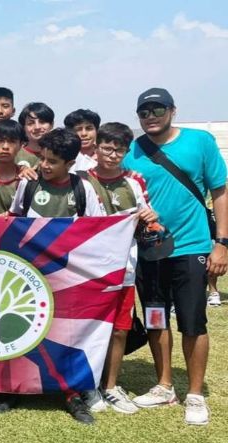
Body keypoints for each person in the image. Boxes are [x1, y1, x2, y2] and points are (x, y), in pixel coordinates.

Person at [122, 88, 227, 426]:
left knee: (193, 320)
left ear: (172, 110)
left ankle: (195, 394)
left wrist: (221, 242)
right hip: (150, 250)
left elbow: (220, 192)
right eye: (144, 112)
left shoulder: (200, 142)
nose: (150, 116)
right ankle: (164, 385)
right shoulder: (133, 151)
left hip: (192, 247)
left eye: (157, 109)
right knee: (155, 317)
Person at [9, 128, 105, 424]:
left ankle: (71, 394)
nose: (44, 166)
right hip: (27, 277)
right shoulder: (27, 186)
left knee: (65, 336)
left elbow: (98, 232)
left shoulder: (84, 189)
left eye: (52, 161)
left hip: (67, 279)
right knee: (22, 330)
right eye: (42, 158)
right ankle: (13, 390)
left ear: (70, 163)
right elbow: (13, 220)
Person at [80, 122, 156, 414]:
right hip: (86, 271)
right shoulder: (81, 180)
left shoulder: (135, 181)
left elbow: (147, 218)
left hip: (124, 267)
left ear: (127, 151)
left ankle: (111, 386)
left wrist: (150, 216)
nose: (112, 155)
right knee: (86, 328)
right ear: (96, 147)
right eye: (107, 148)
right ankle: (86, 384)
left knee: (120, 329)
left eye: (119, 150)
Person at [16, 102, 54, 168]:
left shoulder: (59, 154)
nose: (37, 127)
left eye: (42, 122)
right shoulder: (15, 155)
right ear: (23, 127)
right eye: (30, 123)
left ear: (51, 125)